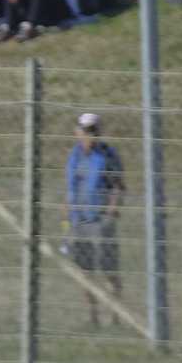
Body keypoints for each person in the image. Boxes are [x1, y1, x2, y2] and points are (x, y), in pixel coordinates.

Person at [63, 111, 123, 325]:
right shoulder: (74, 156)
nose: (89, 135)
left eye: (93, 131)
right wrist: (67, 221)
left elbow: (117, 186)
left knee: (108, 269)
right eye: (86, 131)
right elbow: (71, 189)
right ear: (77, 132)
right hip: (79, 219)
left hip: (100, 218)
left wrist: (111, 212)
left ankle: (116, 315)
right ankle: (92, 316)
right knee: (84, 270)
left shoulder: (107, 155)